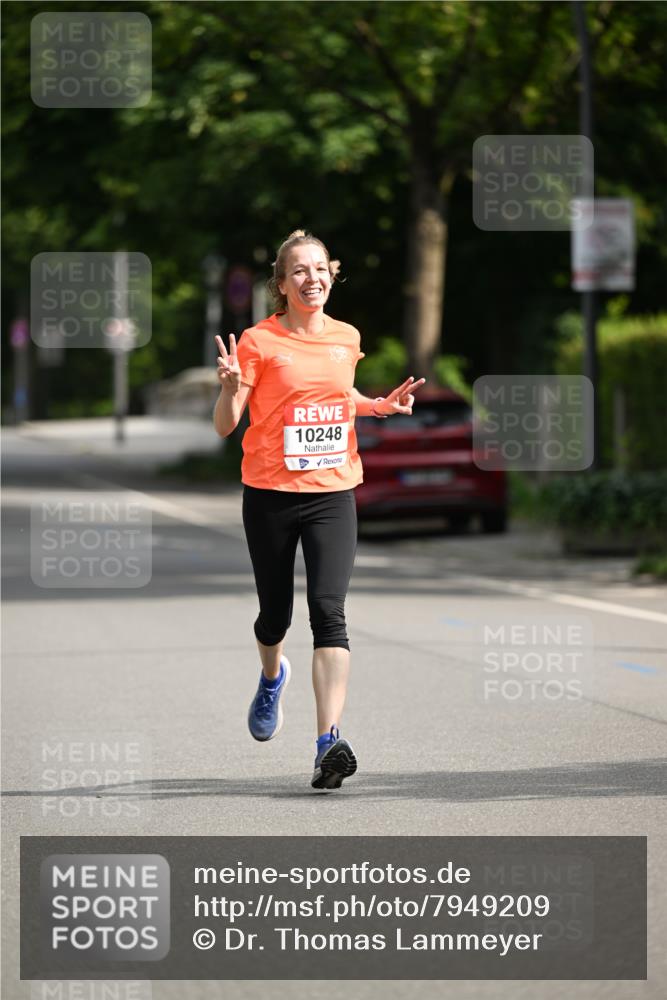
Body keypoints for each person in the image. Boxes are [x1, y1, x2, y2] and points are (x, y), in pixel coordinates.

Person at [213, 230, 425, 790]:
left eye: (320, 269)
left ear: (332, 275)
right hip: (270, 494)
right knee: (275, 616)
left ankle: (327, 742)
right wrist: (231, 387)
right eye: (299, 272)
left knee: (329, 612)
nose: (313, 279)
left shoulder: (347, 337)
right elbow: (225, 423)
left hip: (333, 492)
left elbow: (336, 393)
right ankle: (270, 676)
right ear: (281, 285)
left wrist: (376, 405)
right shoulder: (258, 342)